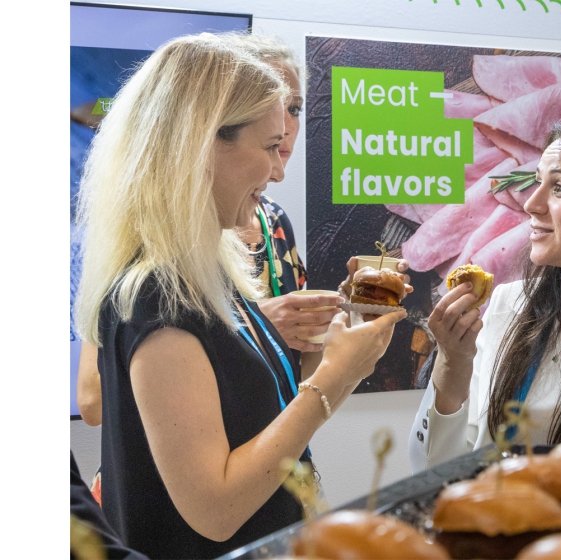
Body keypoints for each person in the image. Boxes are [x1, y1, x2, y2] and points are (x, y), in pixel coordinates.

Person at [73, 33, 406, 558]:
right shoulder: (160, 298)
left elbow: (258, 421)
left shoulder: (211, 272)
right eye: (271, 146)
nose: (278, 170)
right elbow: (217, 510)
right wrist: (337, 378)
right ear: (203, 143)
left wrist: (342, 357)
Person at [75, 35, 326, 428]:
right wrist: (260, 333)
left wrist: (344, 330)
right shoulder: (153, 278)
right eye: (271, 110)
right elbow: (94, 401)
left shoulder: (271, 225)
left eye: (293, 107)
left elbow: (280, 384)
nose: (286, 126)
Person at [408, 114, 561, 473]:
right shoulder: (507, 304)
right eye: (537, 182)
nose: (531, 203)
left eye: (558, 187)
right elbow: (433, 468)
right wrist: (452, 363)